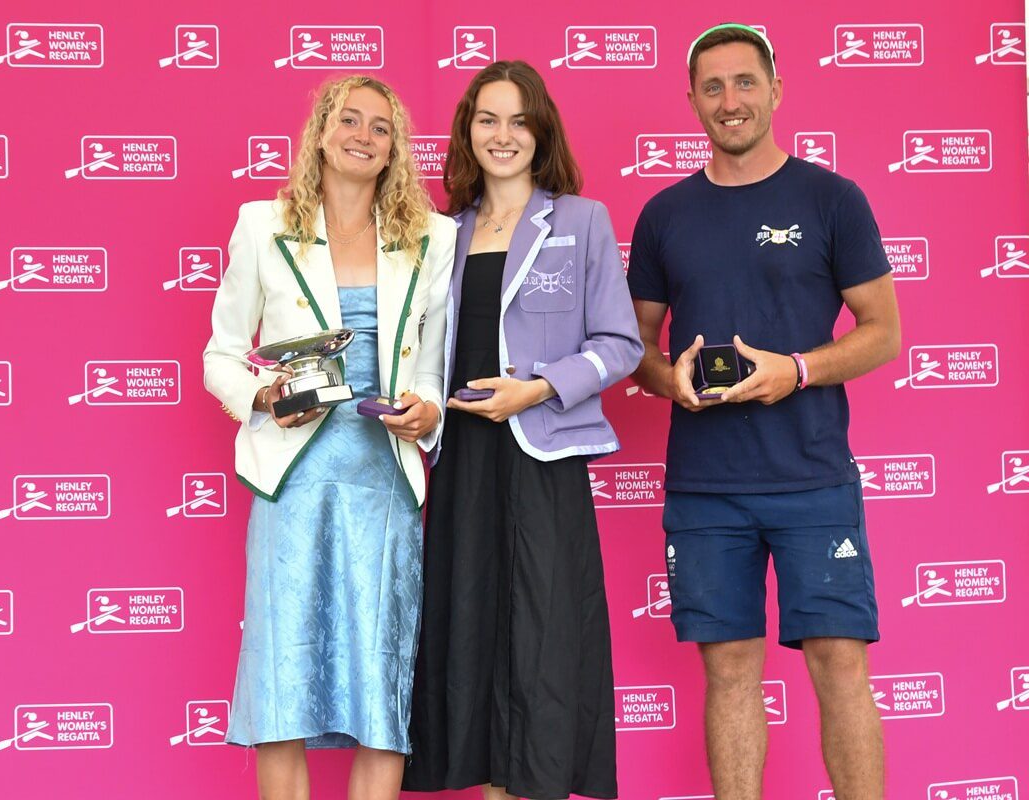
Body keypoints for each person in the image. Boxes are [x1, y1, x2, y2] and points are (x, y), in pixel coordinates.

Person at [626, 24, 901, 800]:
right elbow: (636, 349)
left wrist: (798, 370)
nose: (730, 101)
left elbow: (883, 332)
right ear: (691, 101)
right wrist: (669, 379)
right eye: (712, 87)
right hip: (706, 488)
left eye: (745, 82)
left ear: (776, 90)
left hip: (813, 476)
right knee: (729, 670)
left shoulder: (832, 199)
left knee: (840, 664)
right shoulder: (664, 214)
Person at [203, 74, 456, 800]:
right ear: (320, 132)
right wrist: (264, 396)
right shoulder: (261, 225)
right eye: (349, 120)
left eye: (380, 127)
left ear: (394, 148)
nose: (363, 136)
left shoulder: (432, 237)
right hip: (293, 480)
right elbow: (221, 355)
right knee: (282, 687)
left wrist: (427, 410)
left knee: (381, 689)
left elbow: (432, 367)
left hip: (385, 480)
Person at [404, 60, 643, 800]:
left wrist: (537, 389)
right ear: (467, 131)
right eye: (488, 119)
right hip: (462, 461)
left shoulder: (582, 220)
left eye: (518, 120)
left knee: (542, 638)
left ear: (541, 131)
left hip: (542, 456)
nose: (502, 135)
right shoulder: (440, 233)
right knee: (469, 633)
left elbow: (620, 344)